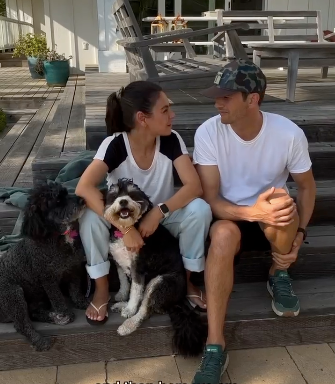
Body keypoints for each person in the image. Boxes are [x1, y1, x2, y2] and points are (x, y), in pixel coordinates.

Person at [191, 59, 316, 384]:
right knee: (220, 236)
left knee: (281, 201)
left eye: (226, 96)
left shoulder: (287, 133)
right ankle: (215, 344)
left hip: (274, 220)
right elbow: (211, 199)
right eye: (216, 95)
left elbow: (306, 187)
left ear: (252, 99)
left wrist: (300, 234)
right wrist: (251, 213)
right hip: (230, 217)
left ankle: (279, 271)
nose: (217, 103)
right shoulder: (208, 132)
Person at [75, 80, 212, 325]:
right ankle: (102, 287)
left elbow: (194, 187)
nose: (173, 114)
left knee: (200, 209)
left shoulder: (171, 140)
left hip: (160, 223)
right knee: (88, 217)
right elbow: (84, 187)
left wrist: (158, 212)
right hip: (122, 218)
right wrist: (125, 229)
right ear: (142, 118)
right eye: (165, 110)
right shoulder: (115, 145)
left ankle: (187, 279)